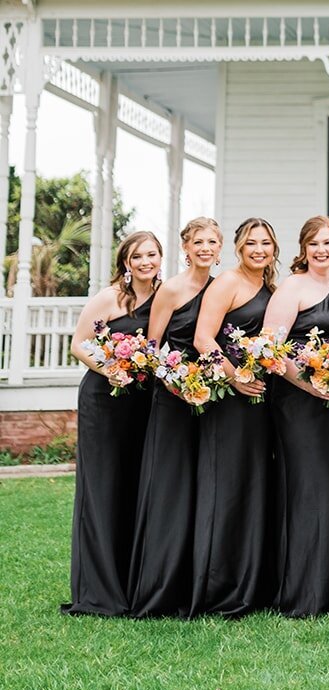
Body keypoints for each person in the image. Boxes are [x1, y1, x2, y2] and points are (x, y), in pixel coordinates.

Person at [64, 231, 162, 615]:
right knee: (103, 487)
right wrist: (111, 369)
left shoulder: (163, 297)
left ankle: (132, 580)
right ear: (126, 261)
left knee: (134, 485)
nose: (145, 262)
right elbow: (79, 344)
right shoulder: (109, 298)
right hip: (103, 402)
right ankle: (99, 587)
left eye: (152, 254)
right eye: (137, 256)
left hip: (143, 403)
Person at [127, 216, 222, 617]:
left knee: (205, 489)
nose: (204, 248)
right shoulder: (171, 290)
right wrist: (174, 383)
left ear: (220, 248)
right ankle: (161, 586)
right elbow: (152, 347)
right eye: (197, 241)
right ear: (185, 247)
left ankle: (201, 580)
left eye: (212, 241)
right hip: (172, 399)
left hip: (212, 400)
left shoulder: (222, 289)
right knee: (172, 487)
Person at [190, 216, 278, 617]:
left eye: (265, 243)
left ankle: (252, 581)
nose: (258, 249)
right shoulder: (227, 282)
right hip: (230, 400)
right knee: (227, 487)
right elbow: (202, 338)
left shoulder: (270, 287)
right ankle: (218, 585)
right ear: (239, 248)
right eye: (251, 243)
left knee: (254, 486)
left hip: (262, 401)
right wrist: (235, 376)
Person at [263, 216, 329, 617]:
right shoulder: (292, 287)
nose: (321, 250)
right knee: (306, 487)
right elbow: (270, 349)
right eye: (313, 243)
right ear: (303, 248)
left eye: (328, 243)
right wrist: (308, 385)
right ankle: (302, 593)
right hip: (297, 402)